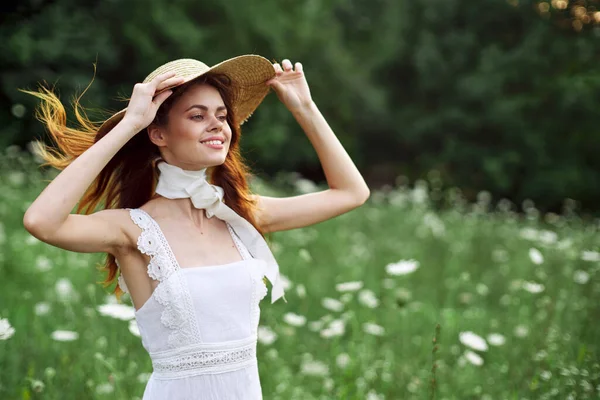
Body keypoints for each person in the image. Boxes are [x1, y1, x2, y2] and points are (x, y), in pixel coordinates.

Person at [22, 54, 370, 399]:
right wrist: (130, 124)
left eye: (222, 116)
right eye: (197, 115)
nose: (218, 125)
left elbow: (352, 193)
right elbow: (41, 222)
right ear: (158, 133)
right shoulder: (133, 230)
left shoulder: (238, 215)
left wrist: (304, 108)